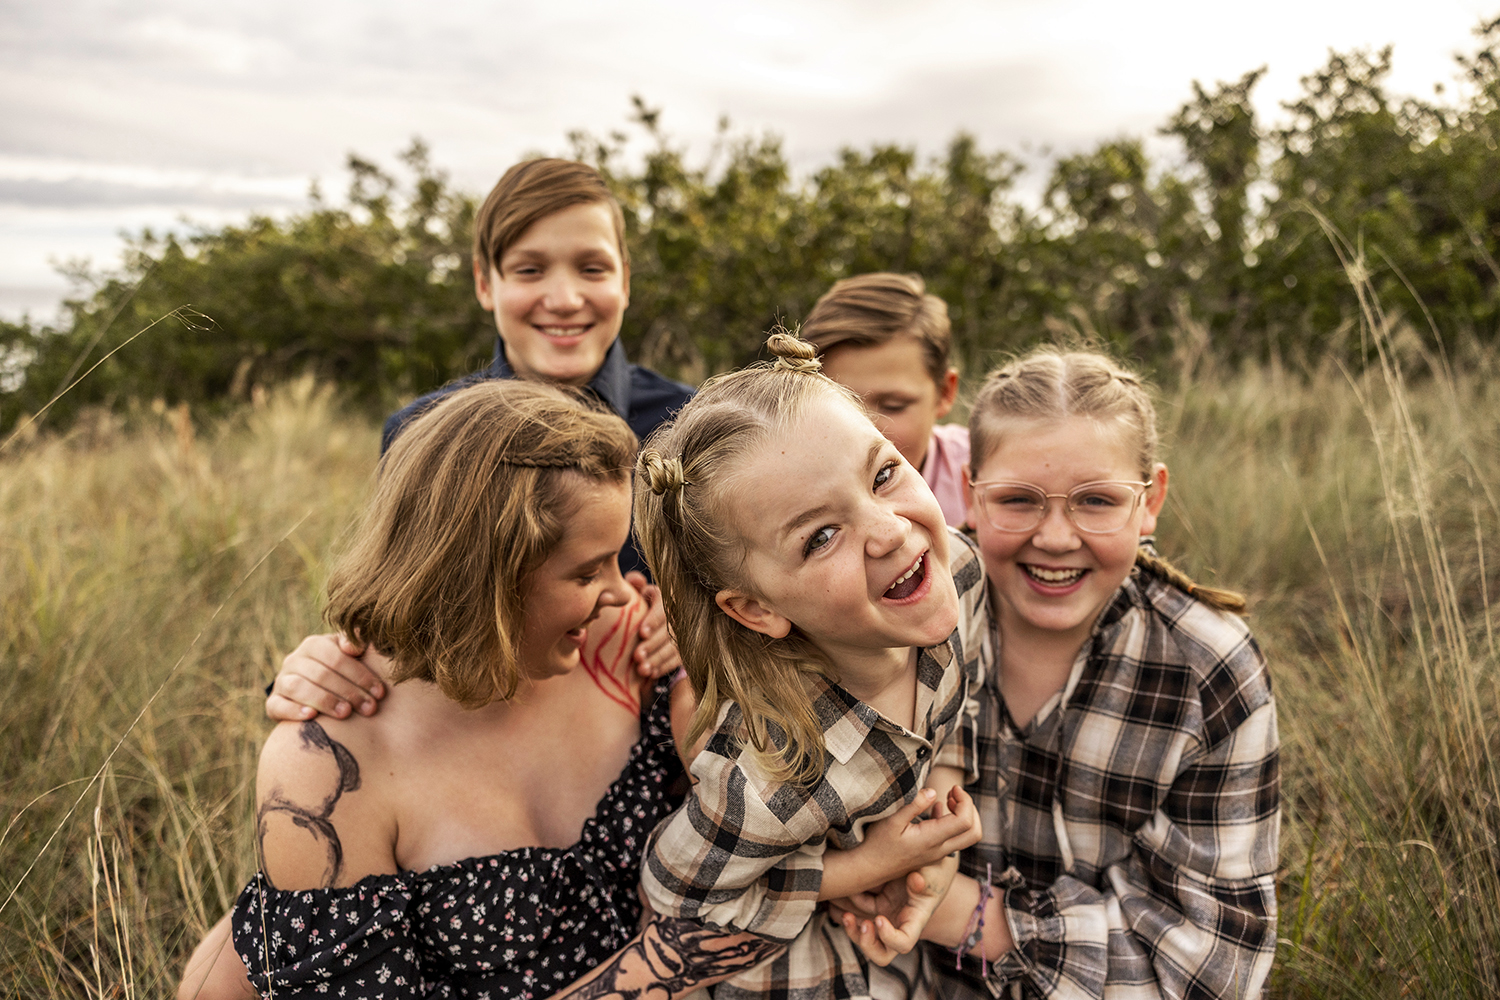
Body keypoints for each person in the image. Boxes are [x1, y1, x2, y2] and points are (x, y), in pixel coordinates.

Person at [192, 380, 688, 999]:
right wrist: (669, 966)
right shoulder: (331, 765)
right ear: (487, 576)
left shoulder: (624, 647)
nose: (620, 590)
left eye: (618, 558)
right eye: (588, 571)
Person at [545, 331, 991, 1000]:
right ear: (756, 610)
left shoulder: (955, 569)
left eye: (883, 474)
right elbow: (676, 891)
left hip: (901, 964)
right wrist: (866, 864)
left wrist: (935, 820)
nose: (892, 531)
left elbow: (964, 692)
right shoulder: (768, 767)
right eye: (821, 536)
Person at [834, 348, 1281, 998]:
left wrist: (958, 911)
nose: (1055, 537)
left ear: (1150, 500)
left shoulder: (1207, 669)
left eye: (1097, 501)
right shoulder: (902, 616)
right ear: (971, 492)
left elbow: (1210, 966)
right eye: (1017, 500)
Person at [266, 157, 693, 726]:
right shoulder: (423, 435)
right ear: (484, 283)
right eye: (530, 270)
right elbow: (410, 611)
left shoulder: (692, 424)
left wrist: (701, 622)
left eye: (592, 268)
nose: (564, 299)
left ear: (625, 281)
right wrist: (320, 667)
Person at [799, 273, 968, 528]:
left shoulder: (989, 473)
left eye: (893, 406)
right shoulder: (788, 490)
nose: (866, 433)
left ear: (944, 393)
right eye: (841, 407)